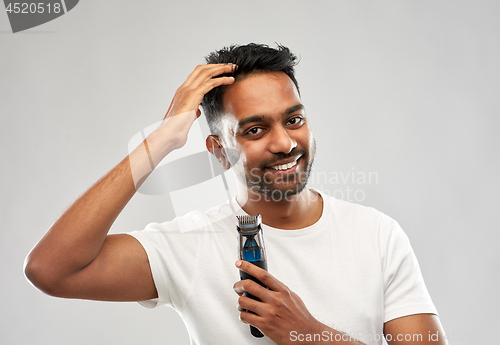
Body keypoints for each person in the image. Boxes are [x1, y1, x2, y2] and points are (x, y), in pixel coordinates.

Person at [25, 43, 447, 345]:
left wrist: (305, 333)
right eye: (255, 129)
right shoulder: (188, 246)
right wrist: (160, 142)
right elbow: (50, 269)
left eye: (294, 119)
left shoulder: (377, 234)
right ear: (219, 152)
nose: (284, 143)